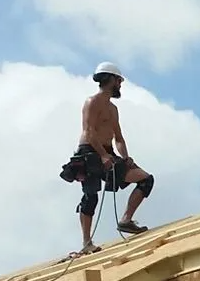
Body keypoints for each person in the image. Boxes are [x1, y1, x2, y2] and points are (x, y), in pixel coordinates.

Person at [61, 61, 153, 253]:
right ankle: (86, 244)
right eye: (119, 80)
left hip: (107, 152)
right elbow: (89, 131)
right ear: (110, 79)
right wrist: (103, 156)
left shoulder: (113, 109)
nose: (120, 85)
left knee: (145, 179)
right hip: (89, 152)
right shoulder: (92, 102)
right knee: (90, 196)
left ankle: (126, 221)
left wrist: (126, 157)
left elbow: (118, 138)